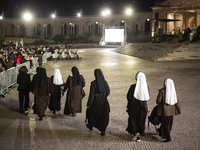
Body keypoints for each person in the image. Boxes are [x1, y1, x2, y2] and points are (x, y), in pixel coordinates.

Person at [126, 71, 150, 142]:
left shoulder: (133, 87)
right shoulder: (146, 87)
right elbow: (147, 97)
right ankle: (139, 136)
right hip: (143, 106)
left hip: (134, 106)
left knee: (133, 120)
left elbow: (128, 97)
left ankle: (135, 133)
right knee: (141, 120)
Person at [86, 69, 110, 136]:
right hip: (104, 102)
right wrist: (103, 96)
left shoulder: (93, 83)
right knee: (103, 116)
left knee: (92, 114)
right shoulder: (105, 82)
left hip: (95, 103)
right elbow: (108, 92)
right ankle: (103, 130)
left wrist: (89, 104)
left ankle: (90, 125)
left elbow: (92, 95)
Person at [156, 78, 181, 142]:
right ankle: (161, 132)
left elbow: (158, 101)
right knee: (169, 124)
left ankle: (168, 137)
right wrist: (179, 111)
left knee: (165, 124)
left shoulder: (162, 91)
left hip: (164, 112)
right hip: (172, 112)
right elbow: (176, 102)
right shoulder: (173, 92)